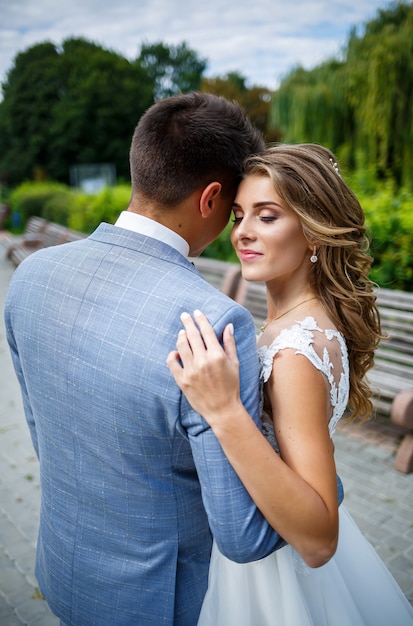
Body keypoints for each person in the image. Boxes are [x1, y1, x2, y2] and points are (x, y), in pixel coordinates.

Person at [4, 92, 288, 626]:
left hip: (64, 572)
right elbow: (244, 535)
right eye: (231, 211)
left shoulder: (32, 277)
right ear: (210, 200)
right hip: (158, 603)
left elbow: (45, 437)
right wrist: (318, 486)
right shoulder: (211, 322)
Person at [167, 143, 413, 625]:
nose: (242, 233)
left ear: (314, 233)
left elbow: (320, 538)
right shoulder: (298, 323)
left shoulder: (295, 350)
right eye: (239, 215)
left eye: (267, 216)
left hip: (274, 574)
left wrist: (223, 411)